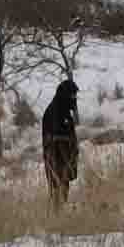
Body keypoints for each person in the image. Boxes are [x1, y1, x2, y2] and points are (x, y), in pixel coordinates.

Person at [39, 72, 81, 204]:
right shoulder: (54, 111)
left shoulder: (64, 110)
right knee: (57, 194)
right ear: (65, 94)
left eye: (75, 95)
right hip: (57, 162)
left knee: (63, 193)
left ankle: (60, 214)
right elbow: (53, 139)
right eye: (72, 95)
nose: (74, 98)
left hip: (64, 161)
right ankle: (56, 215)